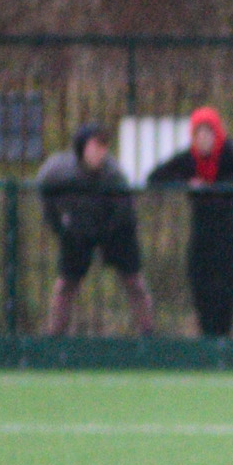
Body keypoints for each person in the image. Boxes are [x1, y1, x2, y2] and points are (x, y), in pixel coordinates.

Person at [146, 106, 233, 338]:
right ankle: (207, 338)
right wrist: (187, 185)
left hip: (232, 232)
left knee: (227, 288)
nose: (203, 140)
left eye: (208, 134)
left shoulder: (231, 152)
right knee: (200, 284)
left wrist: (220, 188)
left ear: (217, 133)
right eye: (198, 135)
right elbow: (155, 178)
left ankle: (223, 340)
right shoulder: (189, 158)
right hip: (203, 233)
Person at [37, 125, 154, 337]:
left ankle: (148, 335)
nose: (100, 152)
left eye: (103, 146)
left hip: (115, 230)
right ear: (81, 148)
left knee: (134, 282)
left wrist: (107, 234)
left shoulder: (113, 174)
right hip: (77, 231)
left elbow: (124, 209)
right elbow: (45, 196)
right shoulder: (58, 171)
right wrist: (60, 226)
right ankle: (54, 337)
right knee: (66, 284)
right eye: (94, 146)